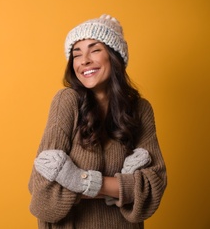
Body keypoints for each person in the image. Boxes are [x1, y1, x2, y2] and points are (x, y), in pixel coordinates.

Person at [28, 14, 167, 228]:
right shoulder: (67, 101)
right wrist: (121, 186)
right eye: (77, 54)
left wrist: (76, 179)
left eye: (95, 50)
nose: (84, 60)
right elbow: (42, 195)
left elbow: (152, 188)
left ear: (114, 56)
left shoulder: (140, 109)